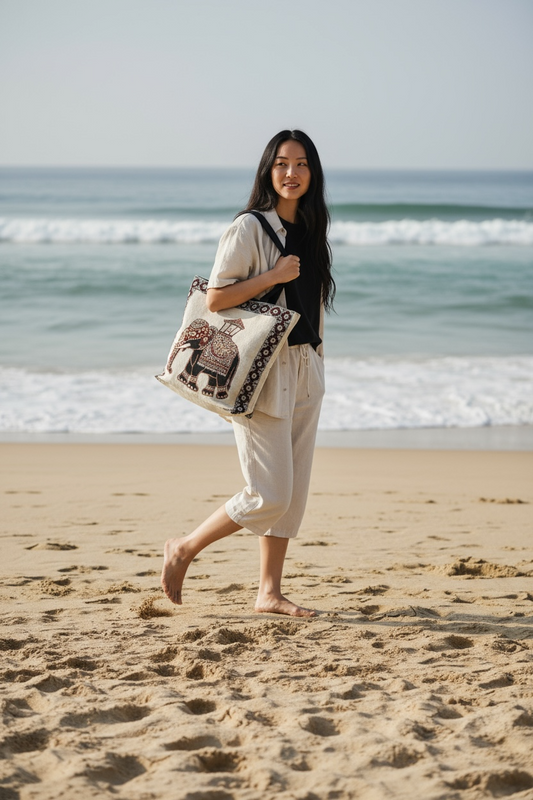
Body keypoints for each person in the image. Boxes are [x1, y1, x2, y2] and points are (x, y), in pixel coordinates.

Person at [161, 129, 335, 617]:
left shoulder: (312, 227)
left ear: (312, 173)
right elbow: (216, 298)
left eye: (301, 164)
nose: (292, 173)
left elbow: (314, 300)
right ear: (268, 170)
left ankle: (269, 592)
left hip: (304, 369)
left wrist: (319, 359)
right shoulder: (248, 228)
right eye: (282, 164)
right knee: (269, 494)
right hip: (260, 371)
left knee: (292, 495)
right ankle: (185, 547)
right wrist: (272, 277)